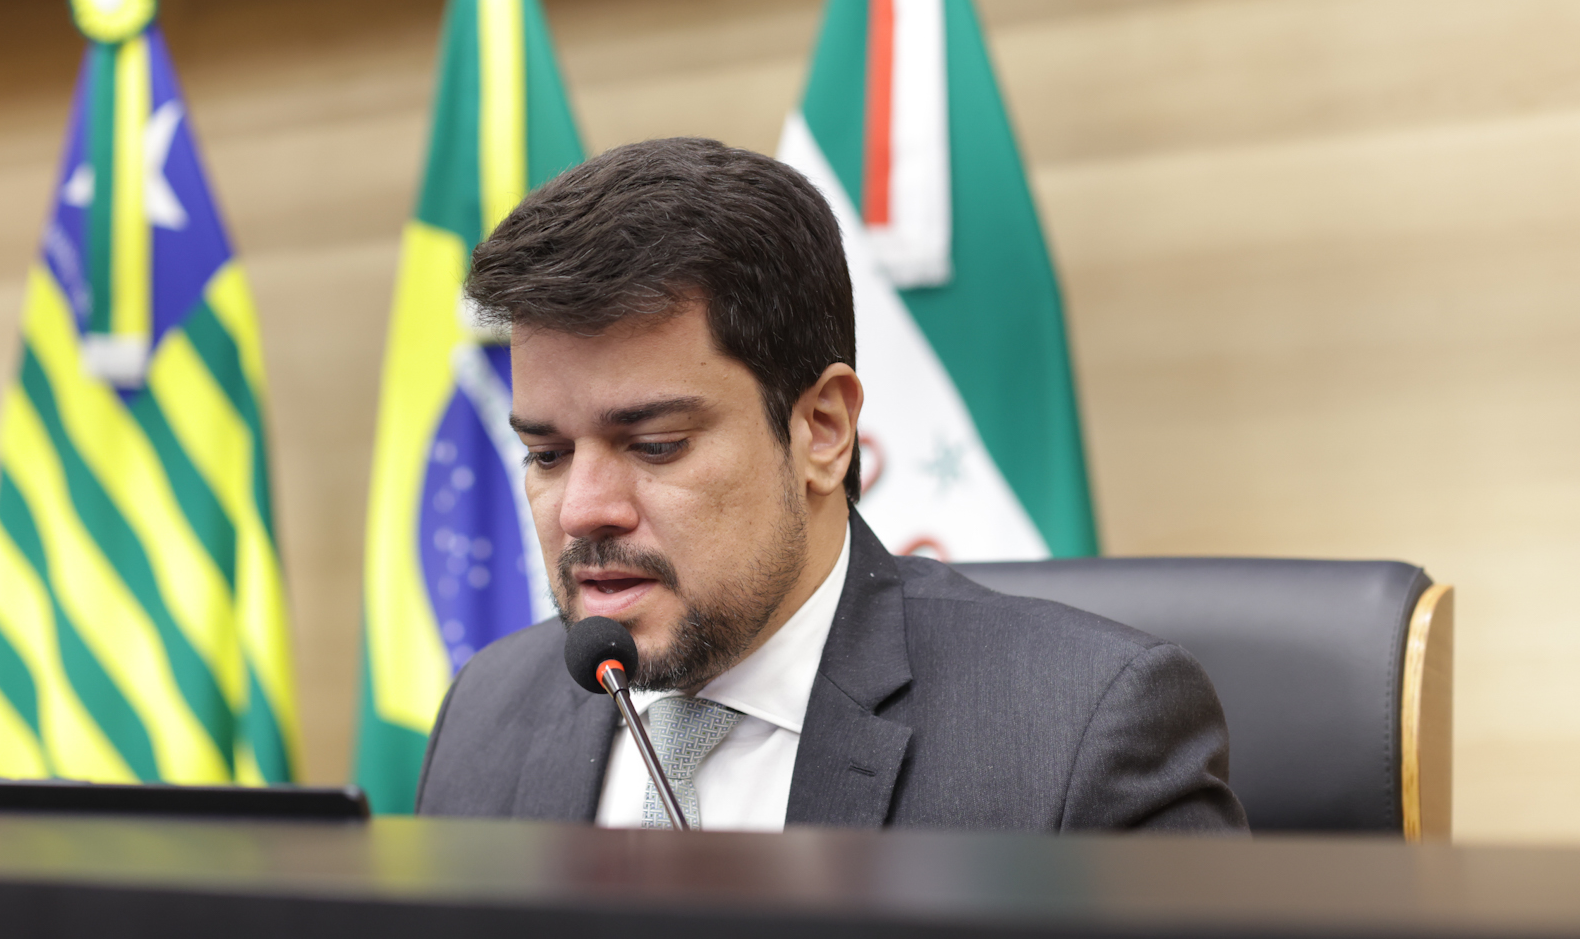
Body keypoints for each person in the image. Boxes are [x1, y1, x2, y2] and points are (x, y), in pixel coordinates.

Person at [415, 137, 1247, 833]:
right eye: (547, 455)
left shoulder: (1078, 734)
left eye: (657, 445)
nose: (582, 510)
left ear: (822, 429)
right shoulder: (488, 713)